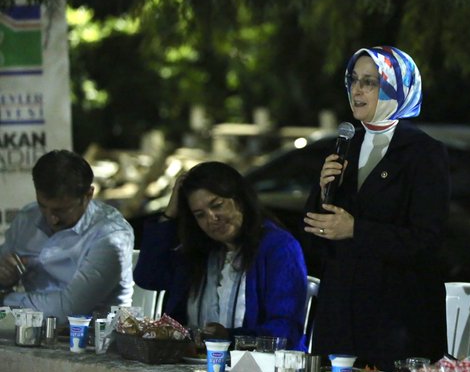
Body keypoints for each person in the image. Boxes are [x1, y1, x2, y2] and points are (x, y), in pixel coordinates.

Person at [303, 46, 450, 371]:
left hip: (395, 319)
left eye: (369, 82)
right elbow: (316, 236)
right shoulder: (344, 145)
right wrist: (322, 192)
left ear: (397, 89)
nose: (357, 89)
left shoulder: (423, 153)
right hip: (341, 314)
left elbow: (428, 241)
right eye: (354, 80)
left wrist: (356, 230)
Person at [133, 162, 308, 350]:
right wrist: (169, 215)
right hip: (191, 366)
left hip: (258, 371)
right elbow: (149, 277)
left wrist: (229, 338)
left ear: (239, 199)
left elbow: (286, 330)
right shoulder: (201, 250)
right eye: (200, 215)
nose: (212, 218)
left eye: (217, 205)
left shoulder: (278, 247)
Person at [0, 150, 134, 323]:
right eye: (43, 206)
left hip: (97, 341)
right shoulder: (27, 218)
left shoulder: (111, 236)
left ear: (88, 195)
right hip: (30, 333)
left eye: (61, 210)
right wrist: (5, 279)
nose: (51, 219)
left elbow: (70, 309)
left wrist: (5, 299)